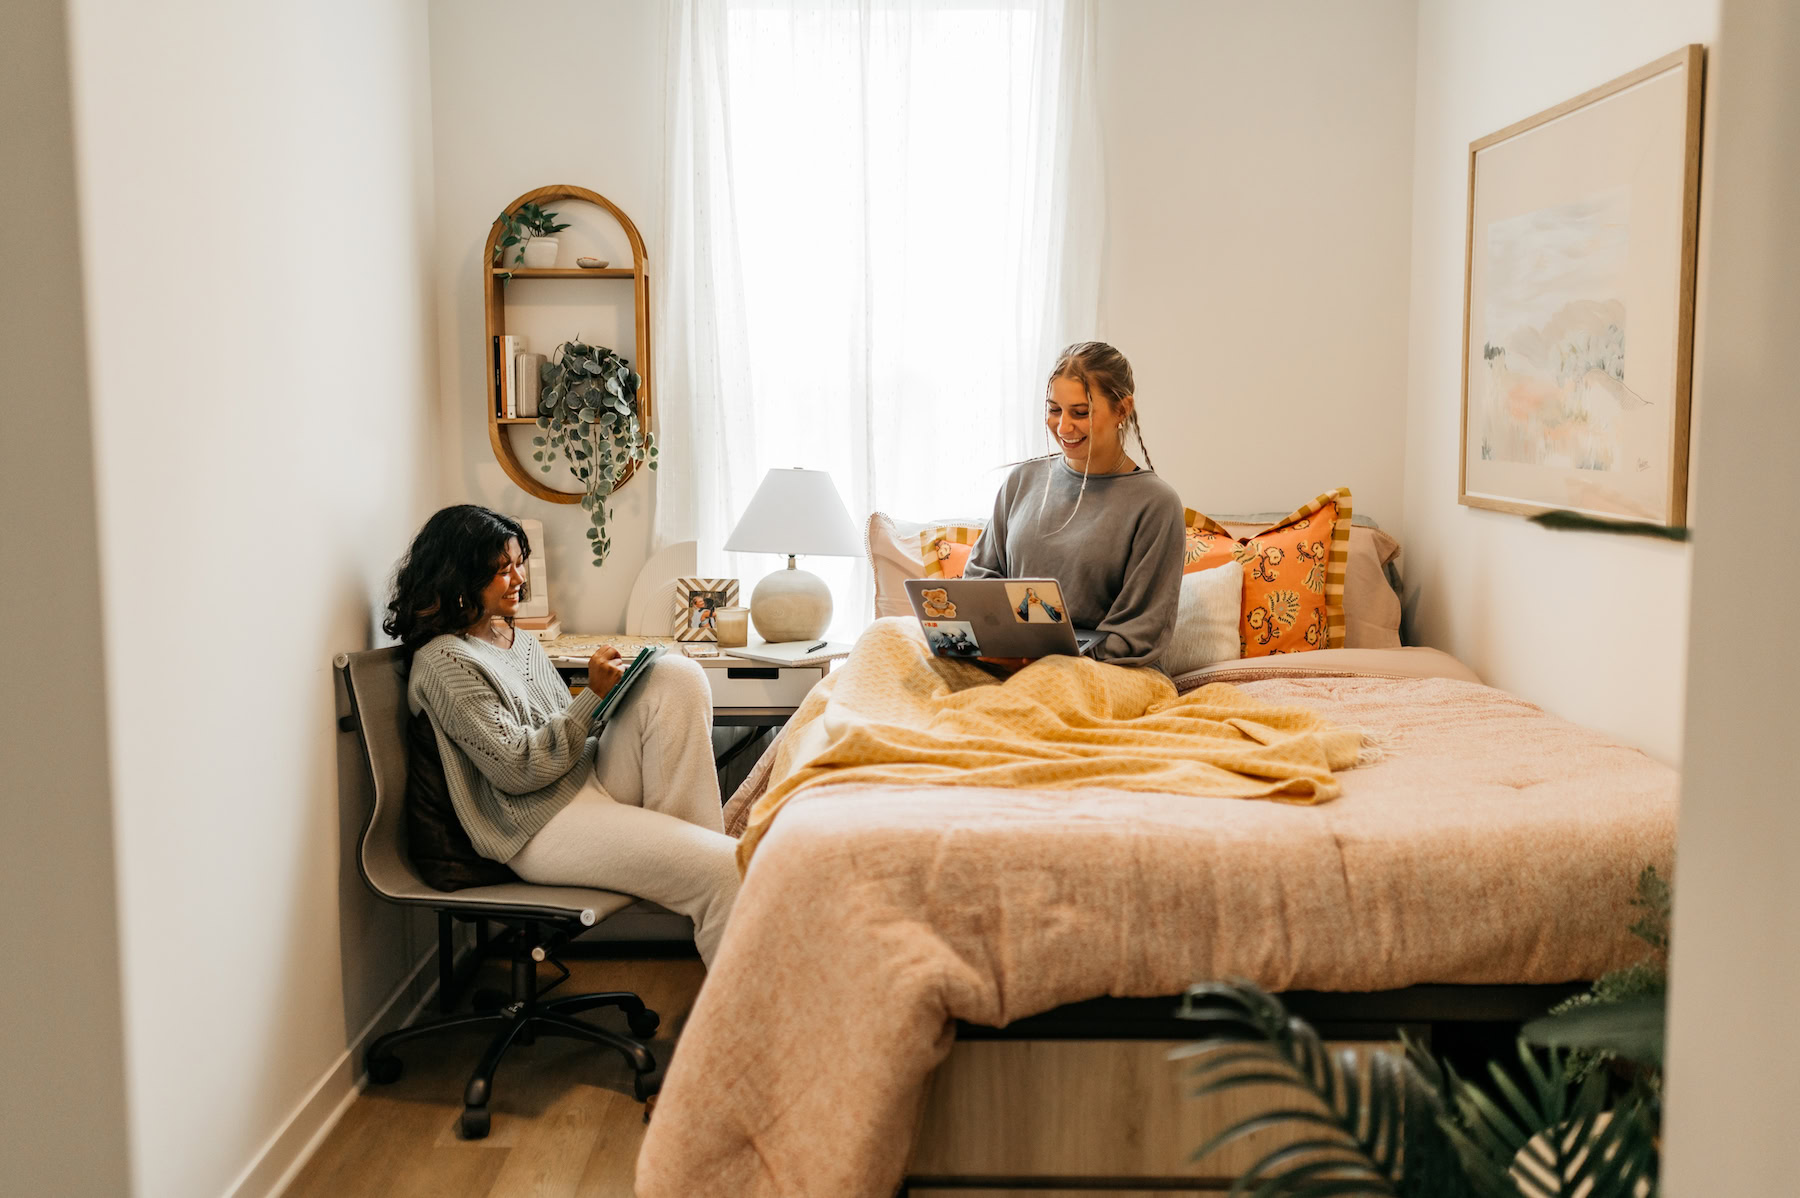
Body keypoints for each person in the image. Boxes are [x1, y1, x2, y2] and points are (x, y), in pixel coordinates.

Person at [383, 505, 740, 965]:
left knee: (676, 674)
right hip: (537, 825)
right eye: (501, 571)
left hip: (583, 781)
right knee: (729, 868)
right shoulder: (445, 661)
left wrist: (612, 701)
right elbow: (517, 770)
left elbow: (564, 730)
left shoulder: (515, 638)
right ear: (460, 578)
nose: (518, 579)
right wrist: (591, 698)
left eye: (518, 564)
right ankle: (703, 887)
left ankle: (685, 869)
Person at [963, 341, 1185, 669]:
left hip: (1105, 672)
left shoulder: (1156, 505)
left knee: (1042, 688)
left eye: (1080, 413)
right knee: (892, 634)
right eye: (1054, 410)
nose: (1063, 427)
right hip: (1012, 662)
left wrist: (1044, 661)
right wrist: (993, 643)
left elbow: (1140, 631)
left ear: (1122, 410)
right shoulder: (1021, 481)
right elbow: (979, 577)